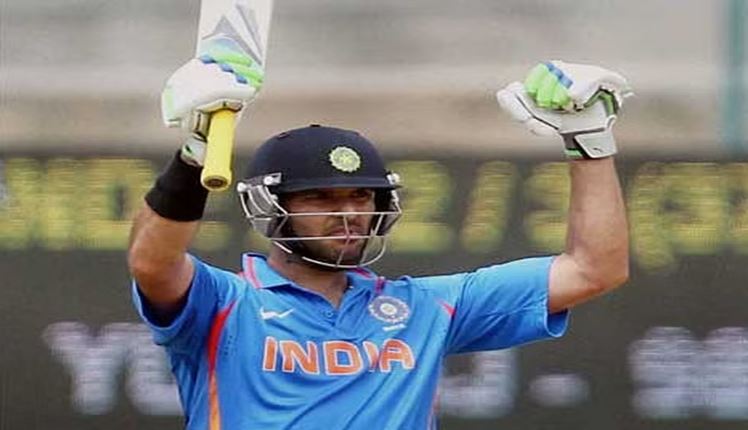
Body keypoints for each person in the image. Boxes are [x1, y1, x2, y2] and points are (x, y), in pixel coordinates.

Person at [128, 48, 631, 429]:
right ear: (269, 205)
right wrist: (194, 157)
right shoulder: (225, 303)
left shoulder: (425, 308)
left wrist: (589, 143)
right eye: (320, 198)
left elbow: (594, 269)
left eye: (360, 196)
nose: (348, 214)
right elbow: (153, 262)